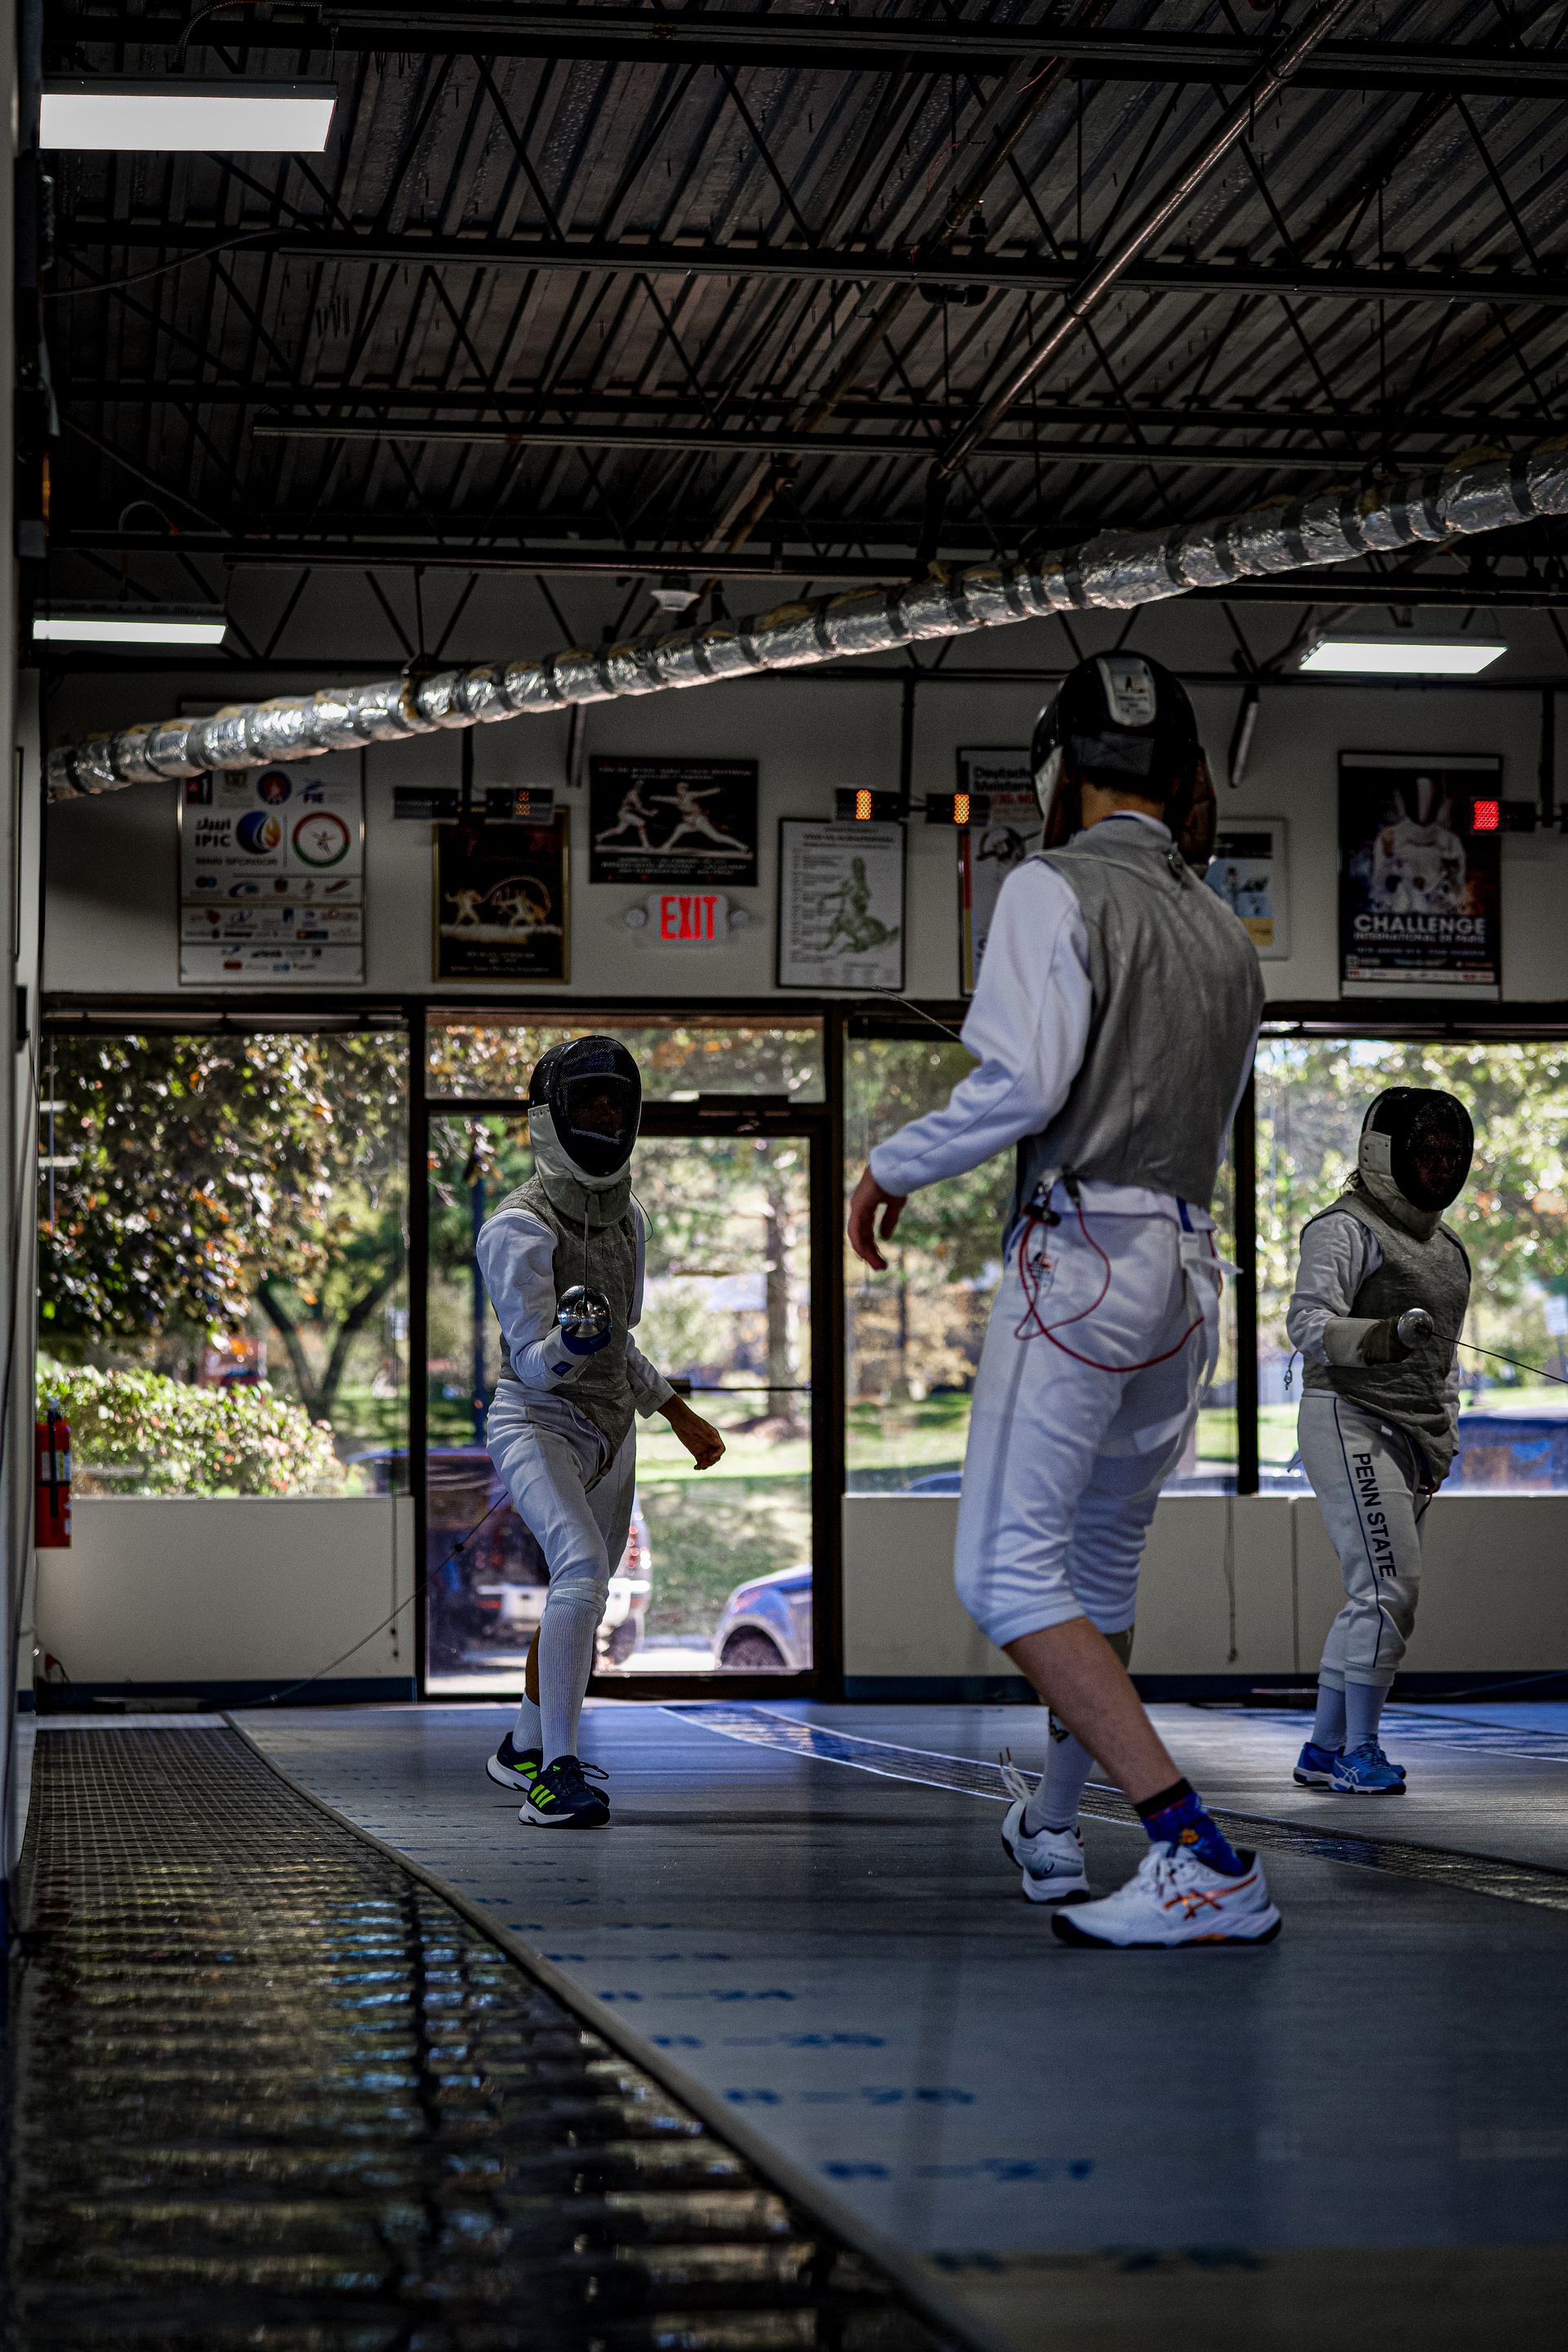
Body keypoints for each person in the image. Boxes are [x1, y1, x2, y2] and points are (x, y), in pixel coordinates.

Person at [848, 653, 1277, 1949]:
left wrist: (891, 1162)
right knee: (1095, 1566)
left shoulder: (1050, 886)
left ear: (1061, 772)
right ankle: (1051, 1826)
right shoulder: (1220, 926)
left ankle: (1198, 1855)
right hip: (1189, 1273)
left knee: (1003, 1572)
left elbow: (1028, 1083)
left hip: (1084, 1257)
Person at [477, 1035, 725, 1826]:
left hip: (612, 1426)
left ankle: (521, 1745)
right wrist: (567, 1343)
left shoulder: (629, 1221)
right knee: (581, 1572)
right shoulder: (516, 1227)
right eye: (591, 1102)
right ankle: (555, 1775)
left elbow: (620, 1345)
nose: (607, 1114)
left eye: (617, 1102)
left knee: (583, 1594)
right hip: (536, 1419)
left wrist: (676, 1412)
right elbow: (534, 1362)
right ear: (554, 1115)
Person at [1287, 1089, 1473, 1795]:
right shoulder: (1342, 1229)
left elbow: (1443, 1362)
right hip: (1349, 1415)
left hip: (1410, 1436)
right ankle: (1359, 1753)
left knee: (1374, 1593)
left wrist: (1441, 1438)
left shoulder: (1448, 1250)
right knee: (1391, 1588)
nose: (1439, 1166)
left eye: (1451, 1155)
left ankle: (1323, 1748)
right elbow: (1307, 1322)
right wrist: (1383, 1335)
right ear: (1386, 1153)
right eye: (1426, 1153)